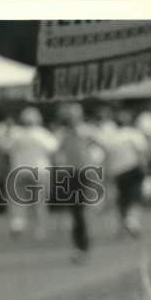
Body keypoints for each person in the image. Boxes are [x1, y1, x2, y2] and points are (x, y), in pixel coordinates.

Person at [52, 102, 104, 264]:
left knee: (82, 212)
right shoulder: (64, 134)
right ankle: (79, 246)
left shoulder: (87, 132)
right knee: (75, 212)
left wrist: (99, 164)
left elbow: (104, 146)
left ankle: (83, 246)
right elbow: (58, 152)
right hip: (71, 174)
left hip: (85, 173)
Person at [4, 107, 58, 239]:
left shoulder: (16, 134)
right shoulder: (42, 134)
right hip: (39, 171)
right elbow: (54, 148)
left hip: (19, 170)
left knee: (18, 200)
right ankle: (39, 228)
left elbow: (5, 148)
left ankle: (18, 223)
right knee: (39, 202)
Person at [104, 109, 151, 238]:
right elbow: (141, 153)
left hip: (117, 172)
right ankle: (132, 221)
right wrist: (146, 170)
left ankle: (122, 225)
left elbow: (107, 157)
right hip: (132, 169)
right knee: (135, 198)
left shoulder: (112, 137)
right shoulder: (134, 134)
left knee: (122, 200)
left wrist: (107, 174)